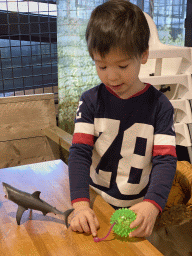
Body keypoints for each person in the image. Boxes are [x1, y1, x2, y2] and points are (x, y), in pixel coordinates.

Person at [68, 0, 177, 239]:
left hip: (141, 205)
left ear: (144, 55)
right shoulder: (90, 101)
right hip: (96, 200)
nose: (112, 76)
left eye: (123, 65)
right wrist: (80, 205)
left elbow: (166, 160)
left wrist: (153, 204)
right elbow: (79, 152)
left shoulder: (160, 106)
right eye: (102, 65)